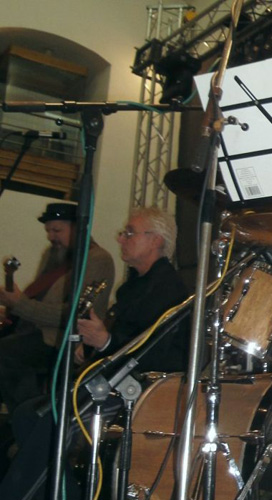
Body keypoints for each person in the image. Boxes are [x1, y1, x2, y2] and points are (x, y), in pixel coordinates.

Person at [0, 206, 190, 500]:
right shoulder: (135, 286)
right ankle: (65, 492)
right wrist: (91, 345)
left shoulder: (169, 289)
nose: (120, 239)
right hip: (112, 382)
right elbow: (120, 340)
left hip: (138, 392)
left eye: (129, 233)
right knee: (27, 414)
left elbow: (156, 355)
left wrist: (105, 341)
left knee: (46, 420)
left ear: (156, 240)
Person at [0, 202, 115, 413]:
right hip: (37, 332)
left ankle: (30, 416)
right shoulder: (52, 255)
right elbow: (39, 301)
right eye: (48, 231)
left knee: (6, 353)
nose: (51, 237)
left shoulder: (98, 259)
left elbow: (75, 314)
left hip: (62, 340)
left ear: (76, 229)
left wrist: (19, 304)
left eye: (57, 230)